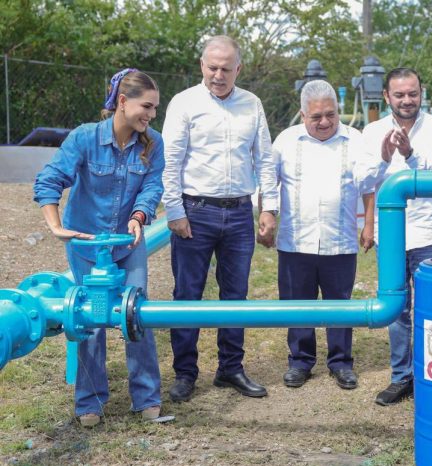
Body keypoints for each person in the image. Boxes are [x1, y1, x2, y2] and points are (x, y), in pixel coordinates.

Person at [33, 69, 165, 427]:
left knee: (137, 311)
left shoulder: (152, 143)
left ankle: (147, 397)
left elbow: (152, 187)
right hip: (87, 246)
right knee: (88, 317)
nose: (151, 115)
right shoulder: (85, 139)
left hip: (128, 243)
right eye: (146, 106)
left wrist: (138, 216)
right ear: (123, 102)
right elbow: (51, 179)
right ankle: (89, 402)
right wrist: (56, 226)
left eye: (154, 109)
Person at [161, 35, 278, 402]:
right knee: (188, 295)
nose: (218, 74)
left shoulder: (251, 104)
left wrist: (269, 207)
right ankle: (185, 373)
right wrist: (174, 210)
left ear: (238, 69)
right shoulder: (184, 103)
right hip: (195, 212)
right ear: (202, 66)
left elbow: (265, 159)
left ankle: (230, 368)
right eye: (212, 67)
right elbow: (170, 162)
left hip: (240, 212)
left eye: (226, 68)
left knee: (235, 294)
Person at [267, 80, 381, 390]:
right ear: (302, 114)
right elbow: (268, 181)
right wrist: (267, 215)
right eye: (316, 117)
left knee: (340, 303)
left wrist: (369, 225)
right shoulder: (286, 141)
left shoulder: (354, 139)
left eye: (331, 114)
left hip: (340, 238)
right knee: (297, 302)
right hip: (296, 238)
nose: (325, 122)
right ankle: (300, 361)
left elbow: (368, 185)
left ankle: (341, 362)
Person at [362, 67, 432, 406]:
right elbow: (361, 181)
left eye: (412, 93)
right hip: (392, 237)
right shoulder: (372, 131)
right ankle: (401, 377)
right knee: (397, 311)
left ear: (421, 93)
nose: (406, 100)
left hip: (429, 234)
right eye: (399, 94)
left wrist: (411, 155)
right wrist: (385, 157)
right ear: (387, 96)